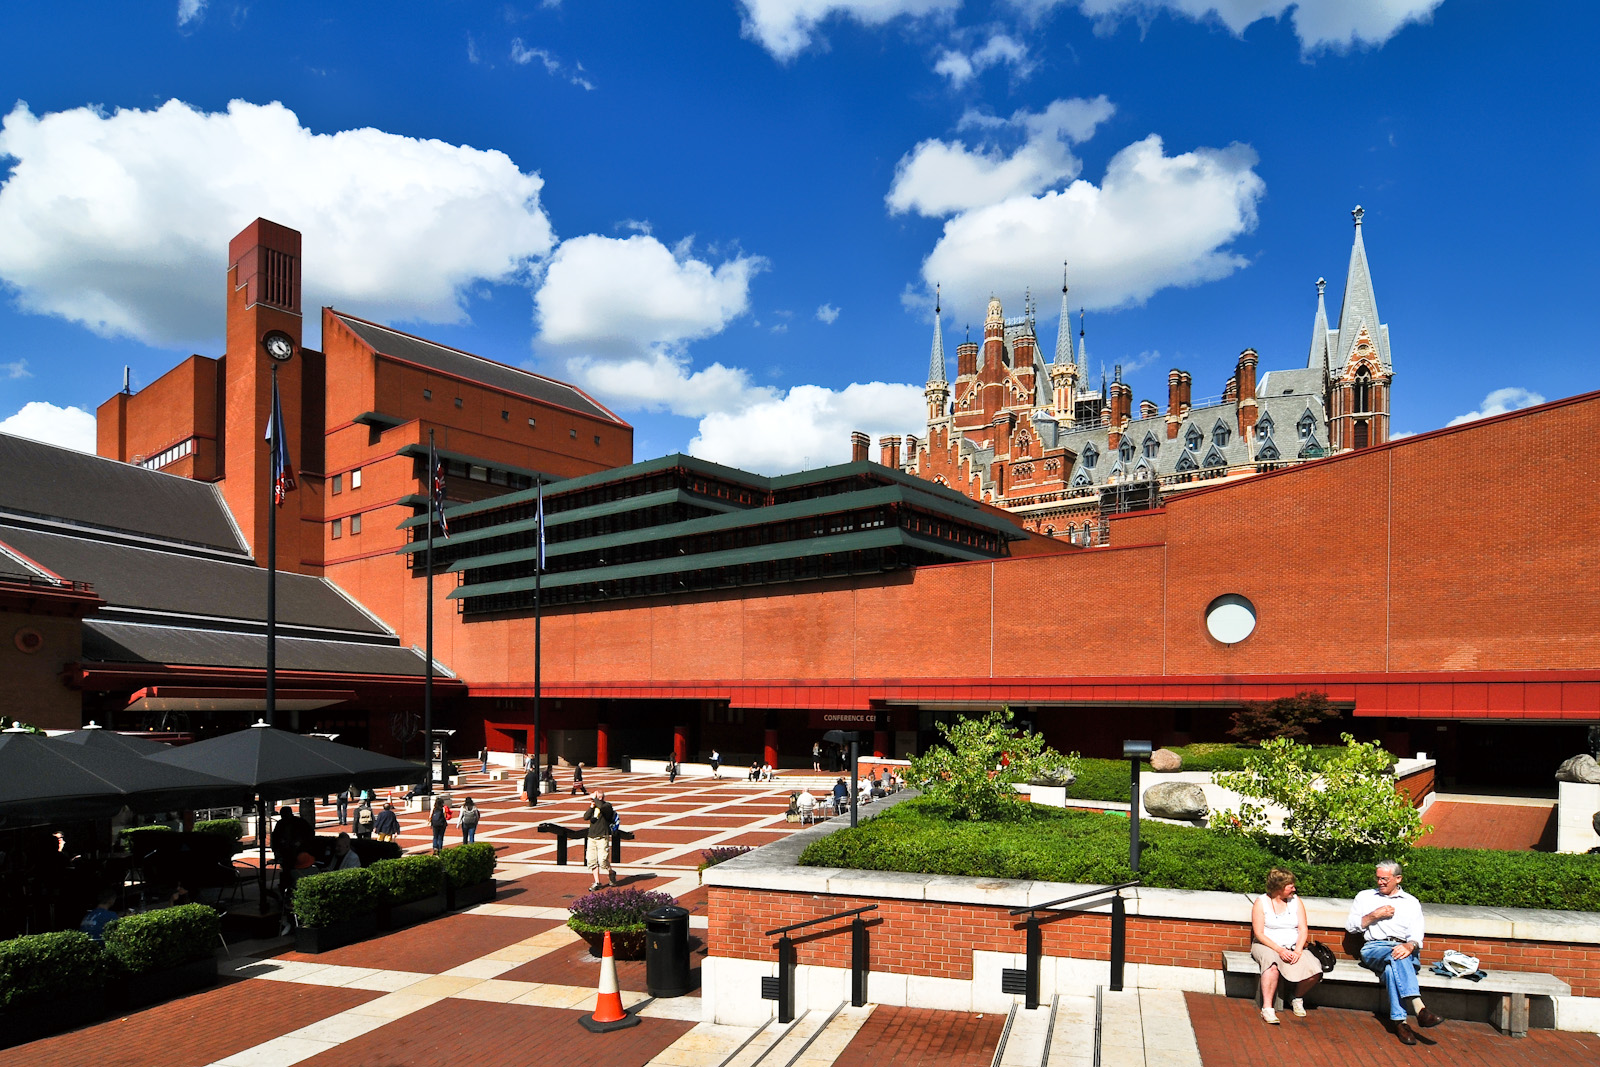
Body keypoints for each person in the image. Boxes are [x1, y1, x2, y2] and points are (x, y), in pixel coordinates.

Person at [1345, 859, 1443, 1044]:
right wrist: (1374, 915)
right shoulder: (1365, 897)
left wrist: (1409, 945)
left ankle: (1400, 1022)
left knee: (1393, 966)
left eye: (1385, 879)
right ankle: (1419, 1008)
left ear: (1398, 879)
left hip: (1404, 949)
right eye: (1378, 878)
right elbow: (1351, 927)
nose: (1380, 882)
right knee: (1396, 955)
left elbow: (1416, 935)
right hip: (1375, 948)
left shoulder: (1411, 902)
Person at [1251, 867, 1323, 1024]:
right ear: (1279, 887)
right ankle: (1268, 1008)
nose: (1294, 889)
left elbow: (1303, 929)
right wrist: (1279, 950)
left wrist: (1297, 950)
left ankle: (1296, 997)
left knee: (1315, 969)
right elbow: (1259, 933)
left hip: (1292, 946)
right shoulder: (1261, 902)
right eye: (1290, 886)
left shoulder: (1296, 901)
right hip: (1267, 945)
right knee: (1272, 965)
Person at [584, 789, 618, 891]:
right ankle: (597, 882)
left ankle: (611, 872)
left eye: (597, 797)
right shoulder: (594, 807)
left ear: (601, 798)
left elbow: (602, 807)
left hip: (602, 836)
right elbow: (585, 817)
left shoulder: (607, 806)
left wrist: (594, 798)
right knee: (591, 860)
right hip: (591, 837)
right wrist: (591, 806)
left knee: (603, 860)